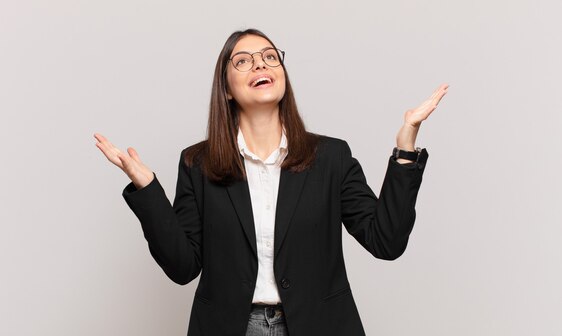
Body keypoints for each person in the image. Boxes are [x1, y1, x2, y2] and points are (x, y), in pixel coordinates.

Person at [94, 28, 448, 336]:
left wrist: (405, 150)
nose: (261, 64)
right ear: (227, 89)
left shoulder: (331, 157)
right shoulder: (197, 164)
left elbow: (385, 241)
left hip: (319, 325)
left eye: (269, 56)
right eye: (243, 61)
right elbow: (183, 267)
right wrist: (148, 190)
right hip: (230, 327)